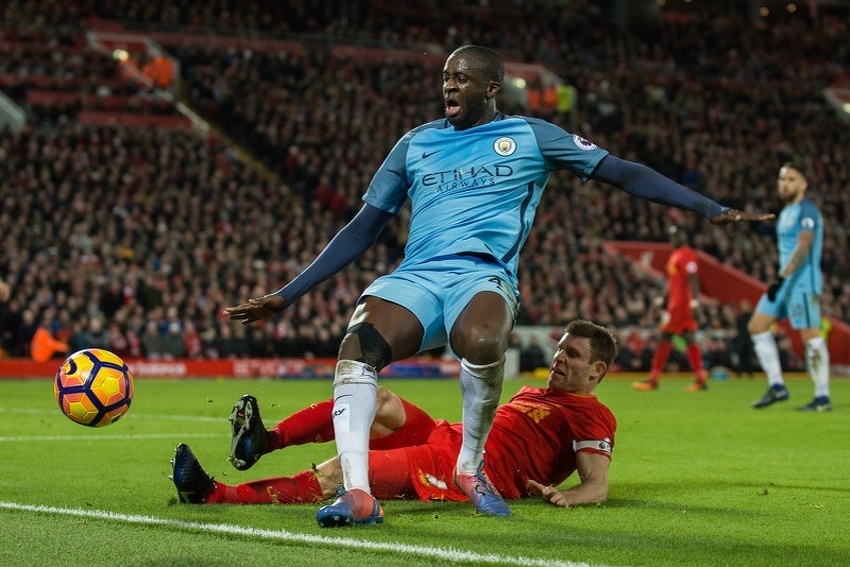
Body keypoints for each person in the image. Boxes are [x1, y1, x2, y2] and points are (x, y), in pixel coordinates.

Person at [222, 45, 773, 526]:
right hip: (418, 275)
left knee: (483, 341)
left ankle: (469, 468)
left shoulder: (531, 136)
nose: (448, 86)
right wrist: (288, 293)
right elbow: (364, 227)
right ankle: (359, 494)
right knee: (357, 346)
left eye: (460, 78)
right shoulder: (414, 144)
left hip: (483, 274)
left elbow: (622, 171)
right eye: (444, 78)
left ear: (491, 87)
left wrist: (707, 208)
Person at [171, 320, 618, 516]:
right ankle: (264, 441)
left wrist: (570, 497)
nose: (559, 356)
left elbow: (596, 484)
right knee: (375, 397)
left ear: (597, 370)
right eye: (560, 346)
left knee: (345, 472)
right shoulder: (536, 391)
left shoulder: (592, 415)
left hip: (468, 471)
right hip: (450, 437)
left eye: (572, 354)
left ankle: (215, 495)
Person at [748, 160, 830, 411]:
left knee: (810, 336)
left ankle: (822, 397)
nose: (785, 184)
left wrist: (781, 278)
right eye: (782, 179)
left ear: (803, 184)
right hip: (785, 281)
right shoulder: (786, 212)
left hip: (802, 282)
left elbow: (804, 247)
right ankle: (777, 385)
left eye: (791, 179)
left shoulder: (808, 211)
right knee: (757, 326)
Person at [632, 225, 708, 392]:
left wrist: (694, 301)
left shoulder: (687, 255)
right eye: (671, 236)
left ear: (683, 236)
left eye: (676, 235)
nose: (673, 239)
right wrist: (661, 299)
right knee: (686, 338)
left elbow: (693, 278)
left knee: (665, 337)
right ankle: (700, 378)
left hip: (681, 306)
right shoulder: (675, 255)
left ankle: (653, 379)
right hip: (675, 304)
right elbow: (671, 281)